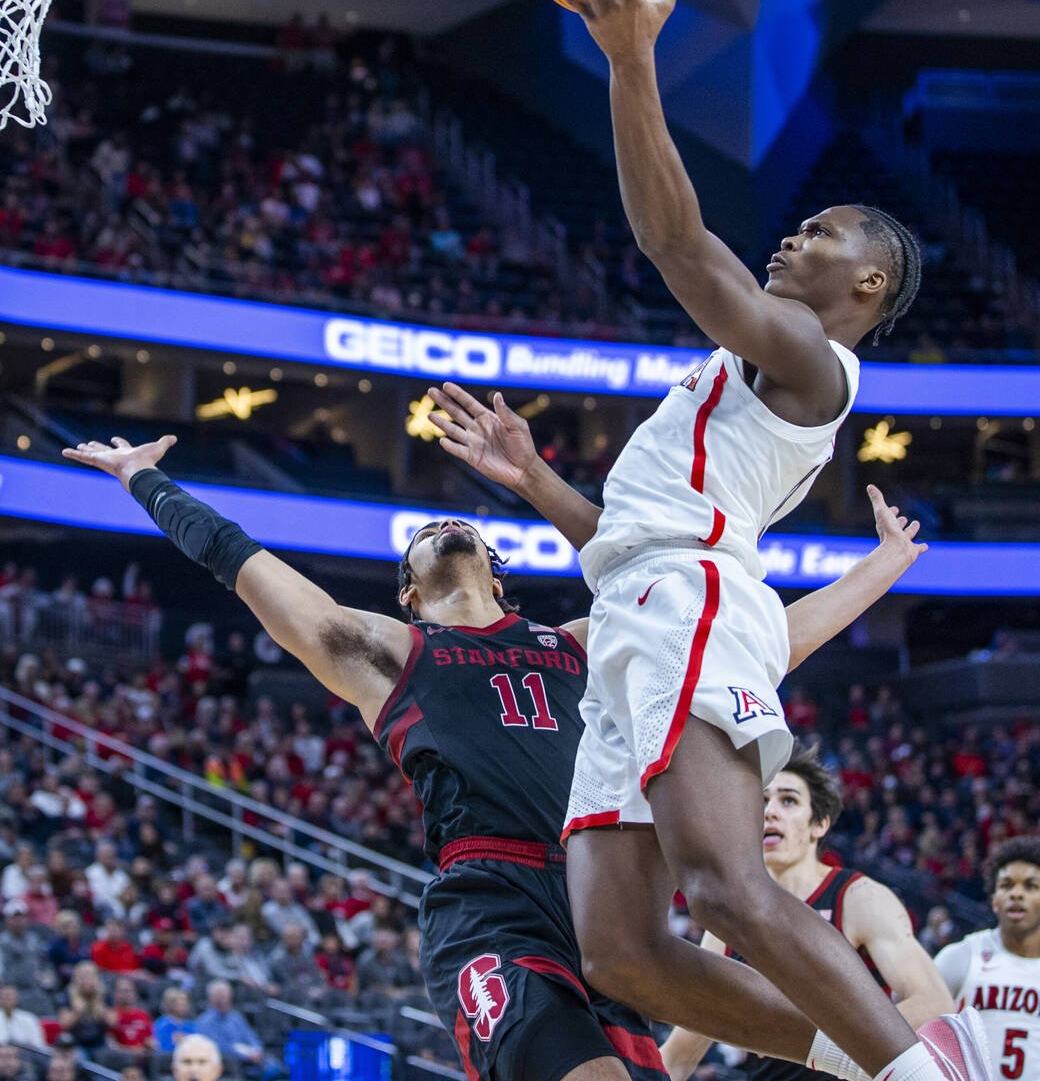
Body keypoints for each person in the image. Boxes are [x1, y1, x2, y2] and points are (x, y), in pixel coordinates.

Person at [425, 0, 983, 1081]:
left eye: (817, 232)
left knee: (728, 887)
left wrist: (631, 55)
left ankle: (924, 1073)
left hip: (689, 601)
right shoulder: (745, 379)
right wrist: (532, 479)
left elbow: (675, 244)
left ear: (865, 283)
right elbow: (621, 545)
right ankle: (854, 1059)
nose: (792, 234)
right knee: (621, 947)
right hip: (646, 592)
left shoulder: (812, 361)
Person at [63, 433, 926, 1081]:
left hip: (607, 897)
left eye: (459, 525)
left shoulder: (581, 641)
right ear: (407, 588)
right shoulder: (384, 651)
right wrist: (145, 479)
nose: (443, 526)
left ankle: (888, 1060)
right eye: (421, 539)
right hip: (492, 909)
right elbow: (239, 562)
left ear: (497, 573)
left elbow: (761, 643)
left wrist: (882, 568)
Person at [660, 745, 954, 1079]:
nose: (770, 812)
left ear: (820, 825)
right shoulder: (726, 922)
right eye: (762, 801)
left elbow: (933, 1004)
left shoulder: (859, 897)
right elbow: (680, 1053)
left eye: (788, 801)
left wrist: (813, 1045)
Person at [934, 838, 1040, 1081]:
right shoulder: (962, 956)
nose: (1016, 894)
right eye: (1006, 885)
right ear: (994, 900)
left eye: (1030, 886)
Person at [153, 988, 196, 1053]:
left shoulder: (192, 1025)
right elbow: (161, 1047)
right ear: (170, 1004)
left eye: (185, 1002)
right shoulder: (162, 1024)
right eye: (180, 1003)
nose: (184, 1005)